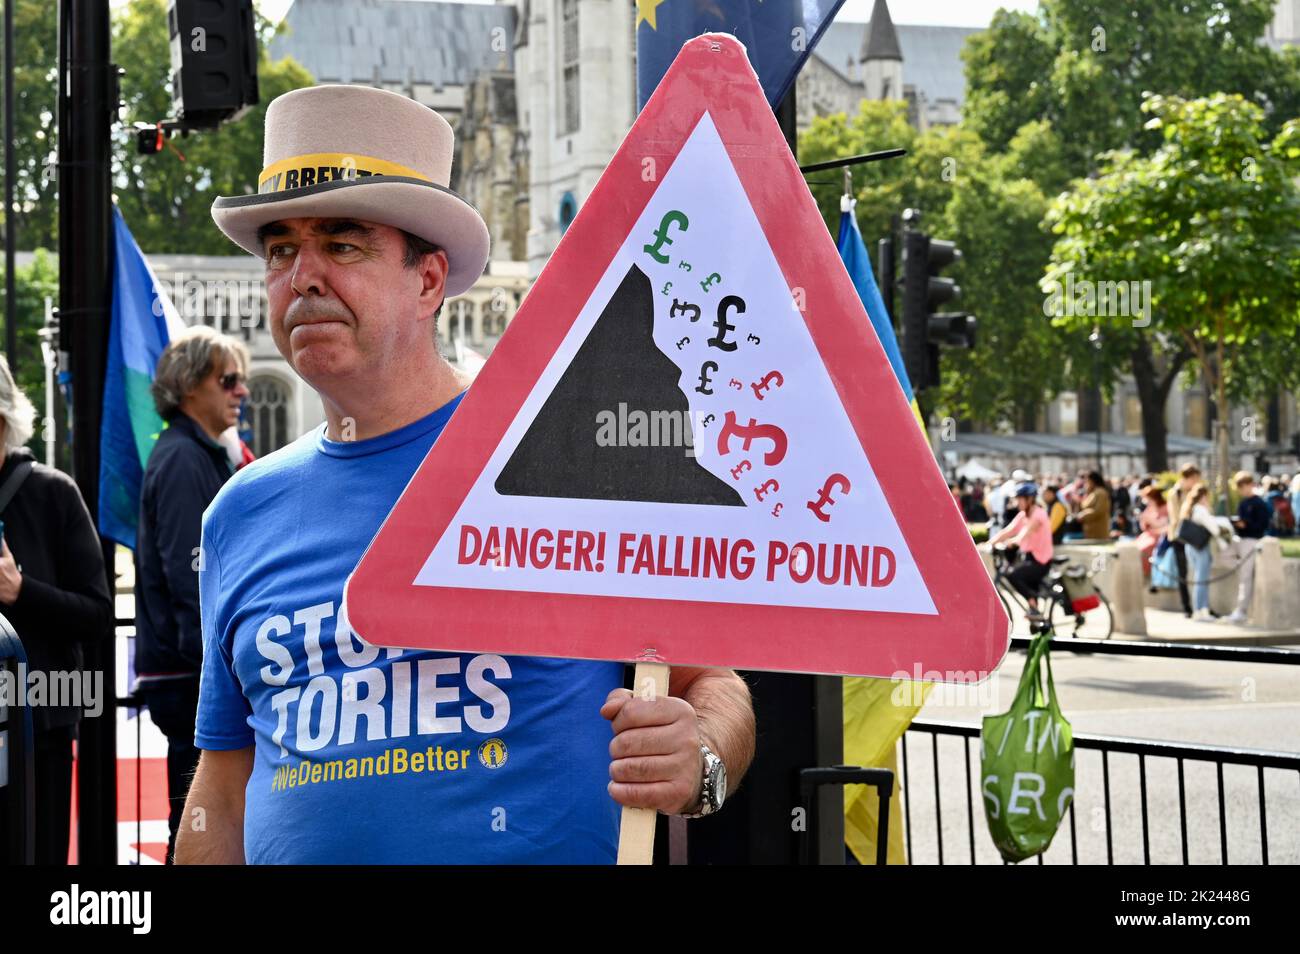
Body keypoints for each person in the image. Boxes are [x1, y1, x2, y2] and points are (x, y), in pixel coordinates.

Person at [177, 85, 756, 864]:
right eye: (282, 250)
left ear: (428, 280)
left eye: (342, 244)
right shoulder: (240, 512)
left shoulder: (567, 462)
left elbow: (712, 684)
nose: (303, 275)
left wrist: (703, 767)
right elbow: (224, 781)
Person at [134, 325, 251, 864]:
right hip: (189, 673)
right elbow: (192, 578)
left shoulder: (198, 452)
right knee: (203, 813)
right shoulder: (183, 458)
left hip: (187, 670)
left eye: (244, 380)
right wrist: (218, 665)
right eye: (227, 380)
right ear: (188, 388)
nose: (241, 391)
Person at [0, 354, 113, 864]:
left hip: (37, 722)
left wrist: (21, 591)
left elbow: (97, 614)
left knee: (35, 850)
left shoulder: (52, 492)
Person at [990, 482, 1053, 620]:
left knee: (1013, 575)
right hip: (1030, 558)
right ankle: (1036, 615)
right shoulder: (1024, 514)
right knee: (1019, 574)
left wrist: (1013, 542)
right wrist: (989, 543)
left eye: (1020, 499)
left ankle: (1033, 607)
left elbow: (1025, 533)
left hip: (1041, 561)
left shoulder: (1038, 514)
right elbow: (1008, 531)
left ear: (1029, 499)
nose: (1017, 502)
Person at [1223, 471, 1271, 624]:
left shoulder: (1259, 503)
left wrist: (1247, 524)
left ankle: (1241, 610)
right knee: (1224, 555)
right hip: (1240, 539)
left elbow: (1262, 525)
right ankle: (1240, 609)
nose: (1242, 490)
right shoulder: (1243, 503)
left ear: (1250, 485)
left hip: (1252, 540)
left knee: (1246, 577)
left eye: (1244, 486)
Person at [1180, 484, 1224, 621]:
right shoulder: (1200, 509)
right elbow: (1214, 529)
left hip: (1190, 546)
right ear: (1204, 496)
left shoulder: (1190, 509)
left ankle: (1200, 610)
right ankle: (1200, 611)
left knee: (1199, 579)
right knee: (1202, 580)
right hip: (1200, 547)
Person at [1165, 464, 1202, 618]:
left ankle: (1201, 606)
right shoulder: (1175, 493)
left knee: (1198, 572)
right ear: (1187, 478)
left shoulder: (1195, 492)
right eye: (1194, 479)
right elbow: (1175, 518)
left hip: (1193, 536)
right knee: (1183, 573)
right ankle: (1187, 607)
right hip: (1179, 537)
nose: (1196, 482)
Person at [1134, 485, 1168, 575]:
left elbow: (1163, 525)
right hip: (1148, 535)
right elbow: (1144, 527)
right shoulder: (1149, 508)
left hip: (1159, 536)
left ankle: (1147, 572)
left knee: (1145, 549)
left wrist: (1150, 520)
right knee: (1134, 547)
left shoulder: (1164, 507)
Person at [1075, 470, 1112, 540]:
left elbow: (1099, 510)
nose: (1086, 483)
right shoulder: (1092, 493)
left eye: (1087, 481)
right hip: (1090, 530)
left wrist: (1084, 515)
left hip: (1098, 530)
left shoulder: (1101, 493)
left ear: (1093, 481)